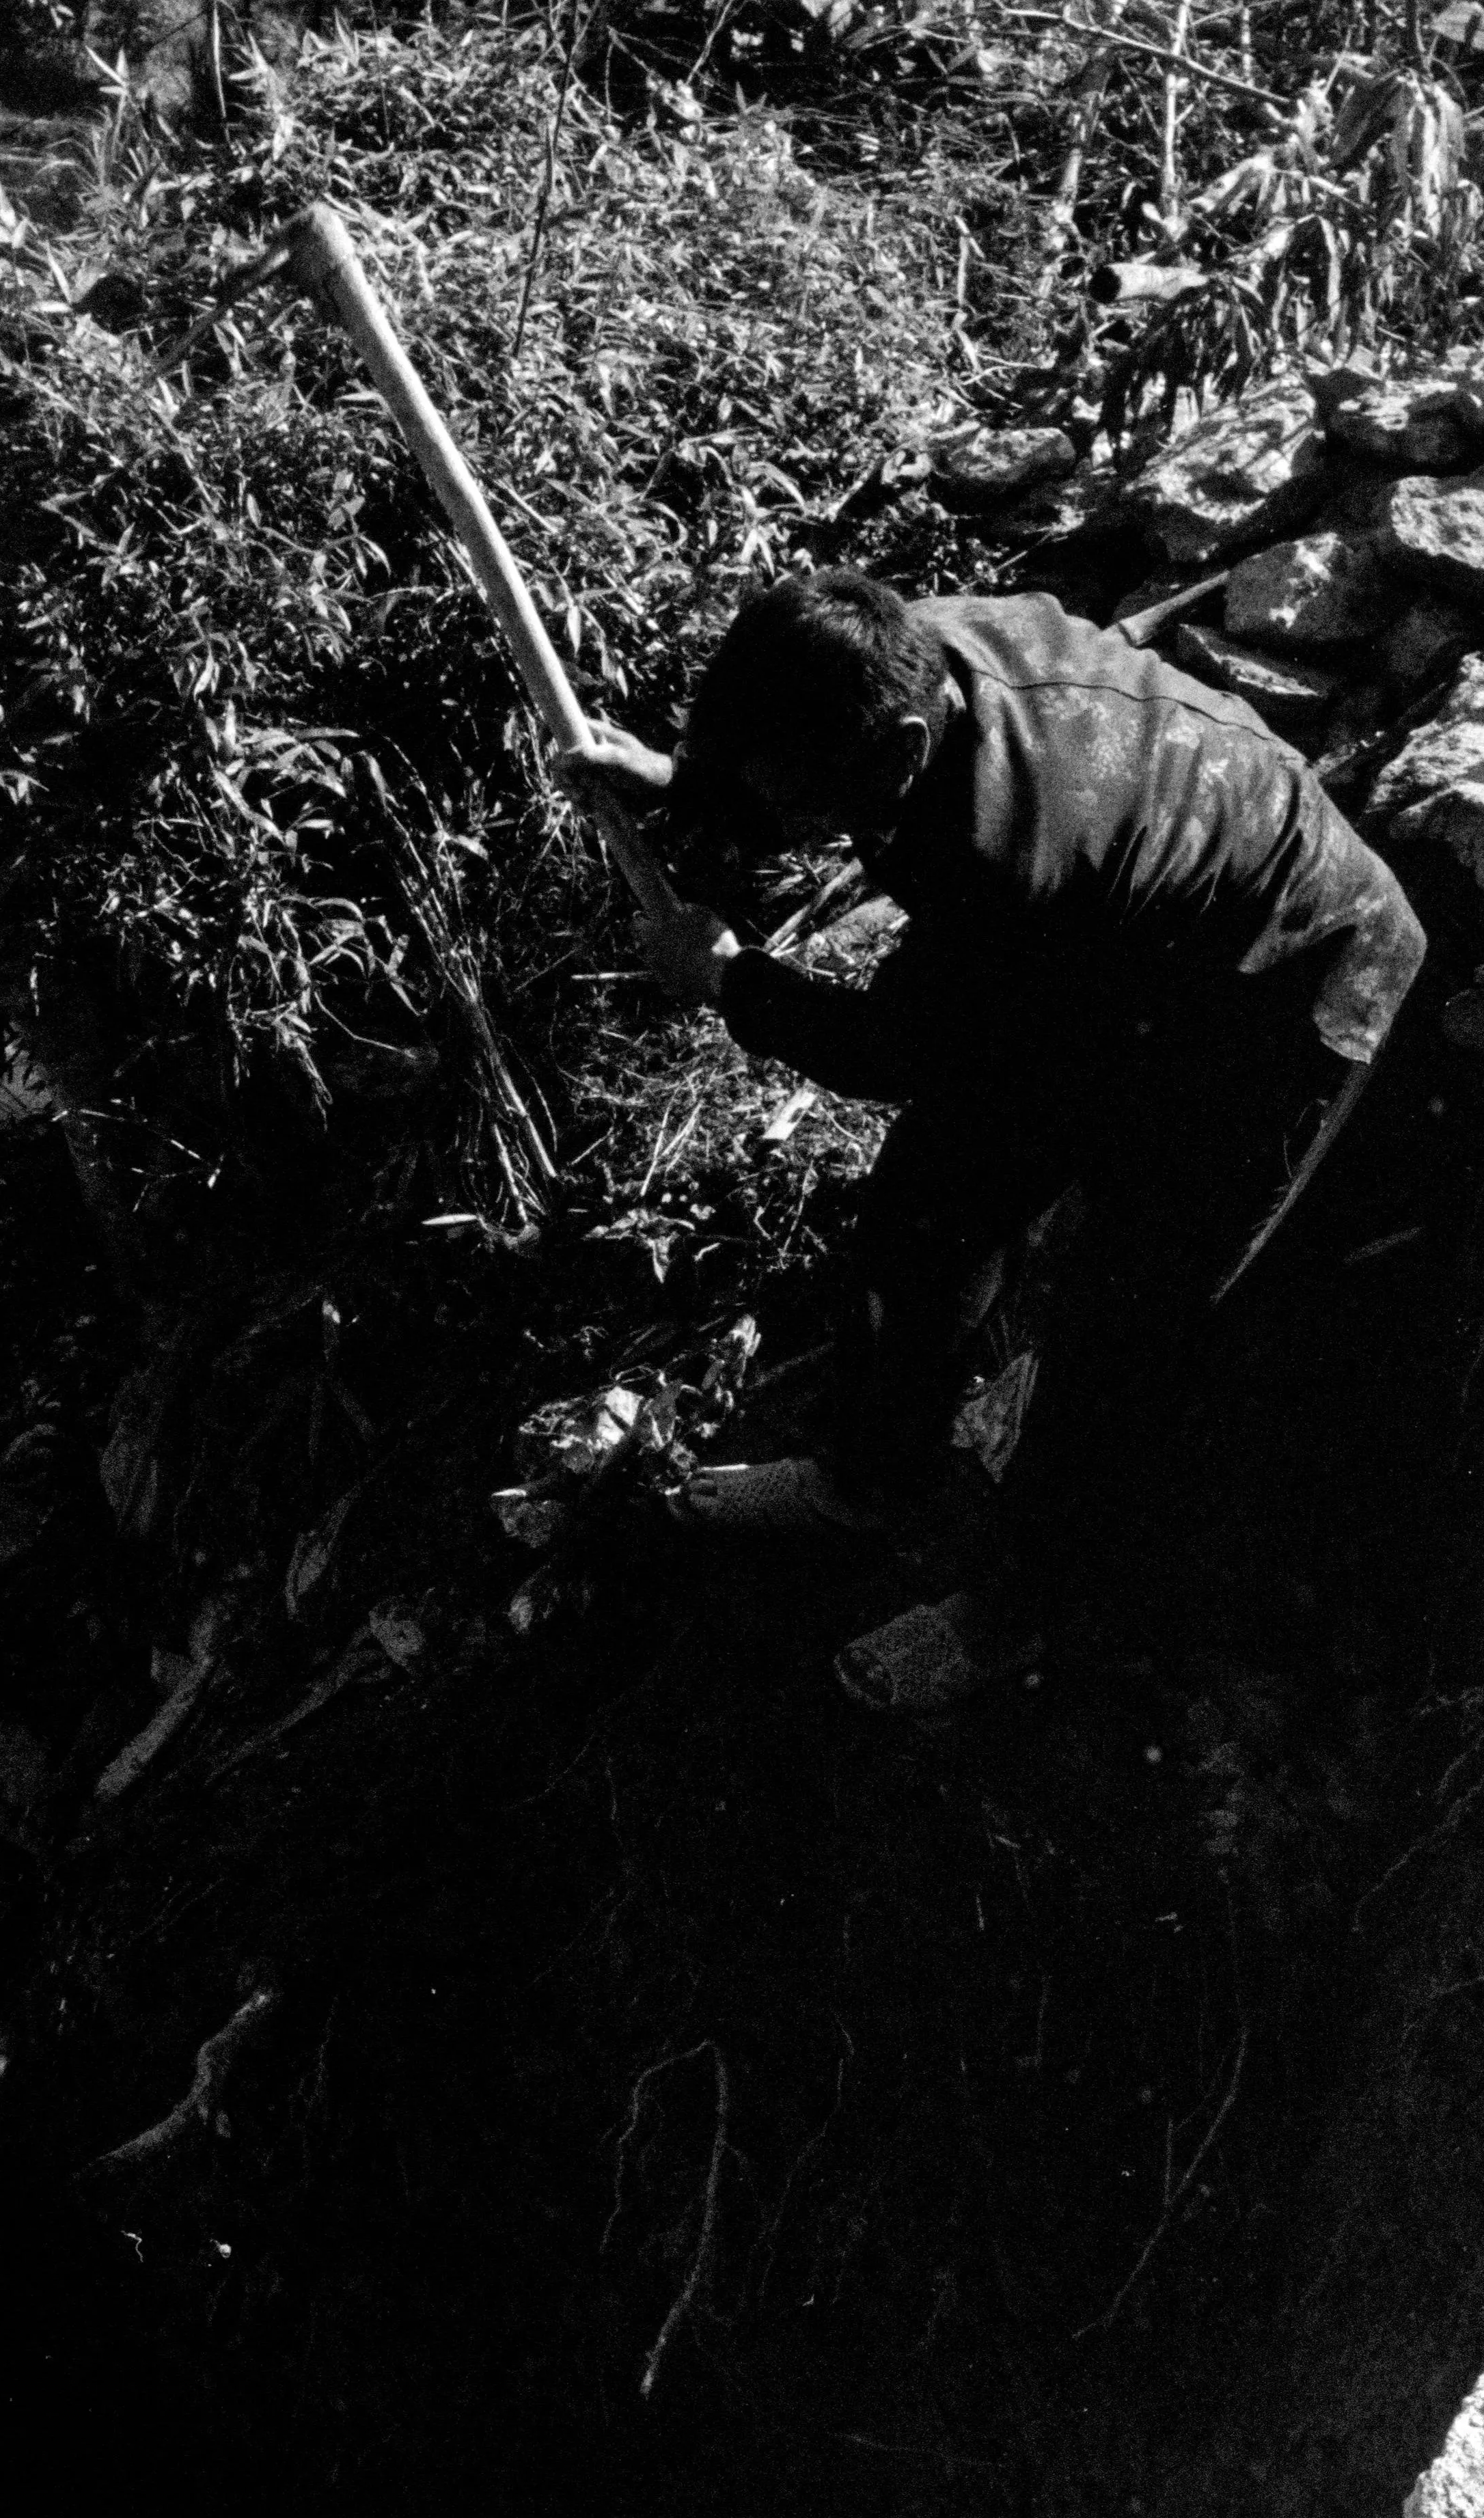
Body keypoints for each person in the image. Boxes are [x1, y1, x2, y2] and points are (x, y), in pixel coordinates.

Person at [556, 569, 1427, 1707]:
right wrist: (684, 781)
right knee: (926, 1214)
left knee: (1124, 1318)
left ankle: (1021, 1609)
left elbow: (893, 1051)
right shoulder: (899, 659)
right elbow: (814, 775)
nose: (789, 822)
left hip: (1281, 983)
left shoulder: (1001, 854)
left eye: (794, 803)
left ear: (903, 756)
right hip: (1106, 943)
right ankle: (870, 1480)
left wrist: (731, 982)